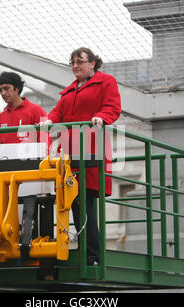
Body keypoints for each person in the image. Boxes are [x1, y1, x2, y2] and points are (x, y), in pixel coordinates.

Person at [40, 47, 121, 265]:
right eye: (73, 62)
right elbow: (59, 111)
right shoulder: (69, 91)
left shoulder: (106, 82)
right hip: (69, 151)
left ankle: (91, 254)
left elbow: (112, 107)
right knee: (74, 200)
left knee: (84, 201)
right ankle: (86, 252)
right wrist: (50, 119)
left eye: (80, 61)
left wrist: (101, 117)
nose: (76, 66)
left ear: (92, 63)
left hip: (91, 147)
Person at [0, 72, 49, 158]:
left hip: (32, 164)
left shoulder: (37, 111)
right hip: (6, 165)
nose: (3, 93)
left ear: (17, 88)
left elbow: (45, 140)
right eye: (0, 90)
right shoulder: (0, 117)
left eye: (6, 88)